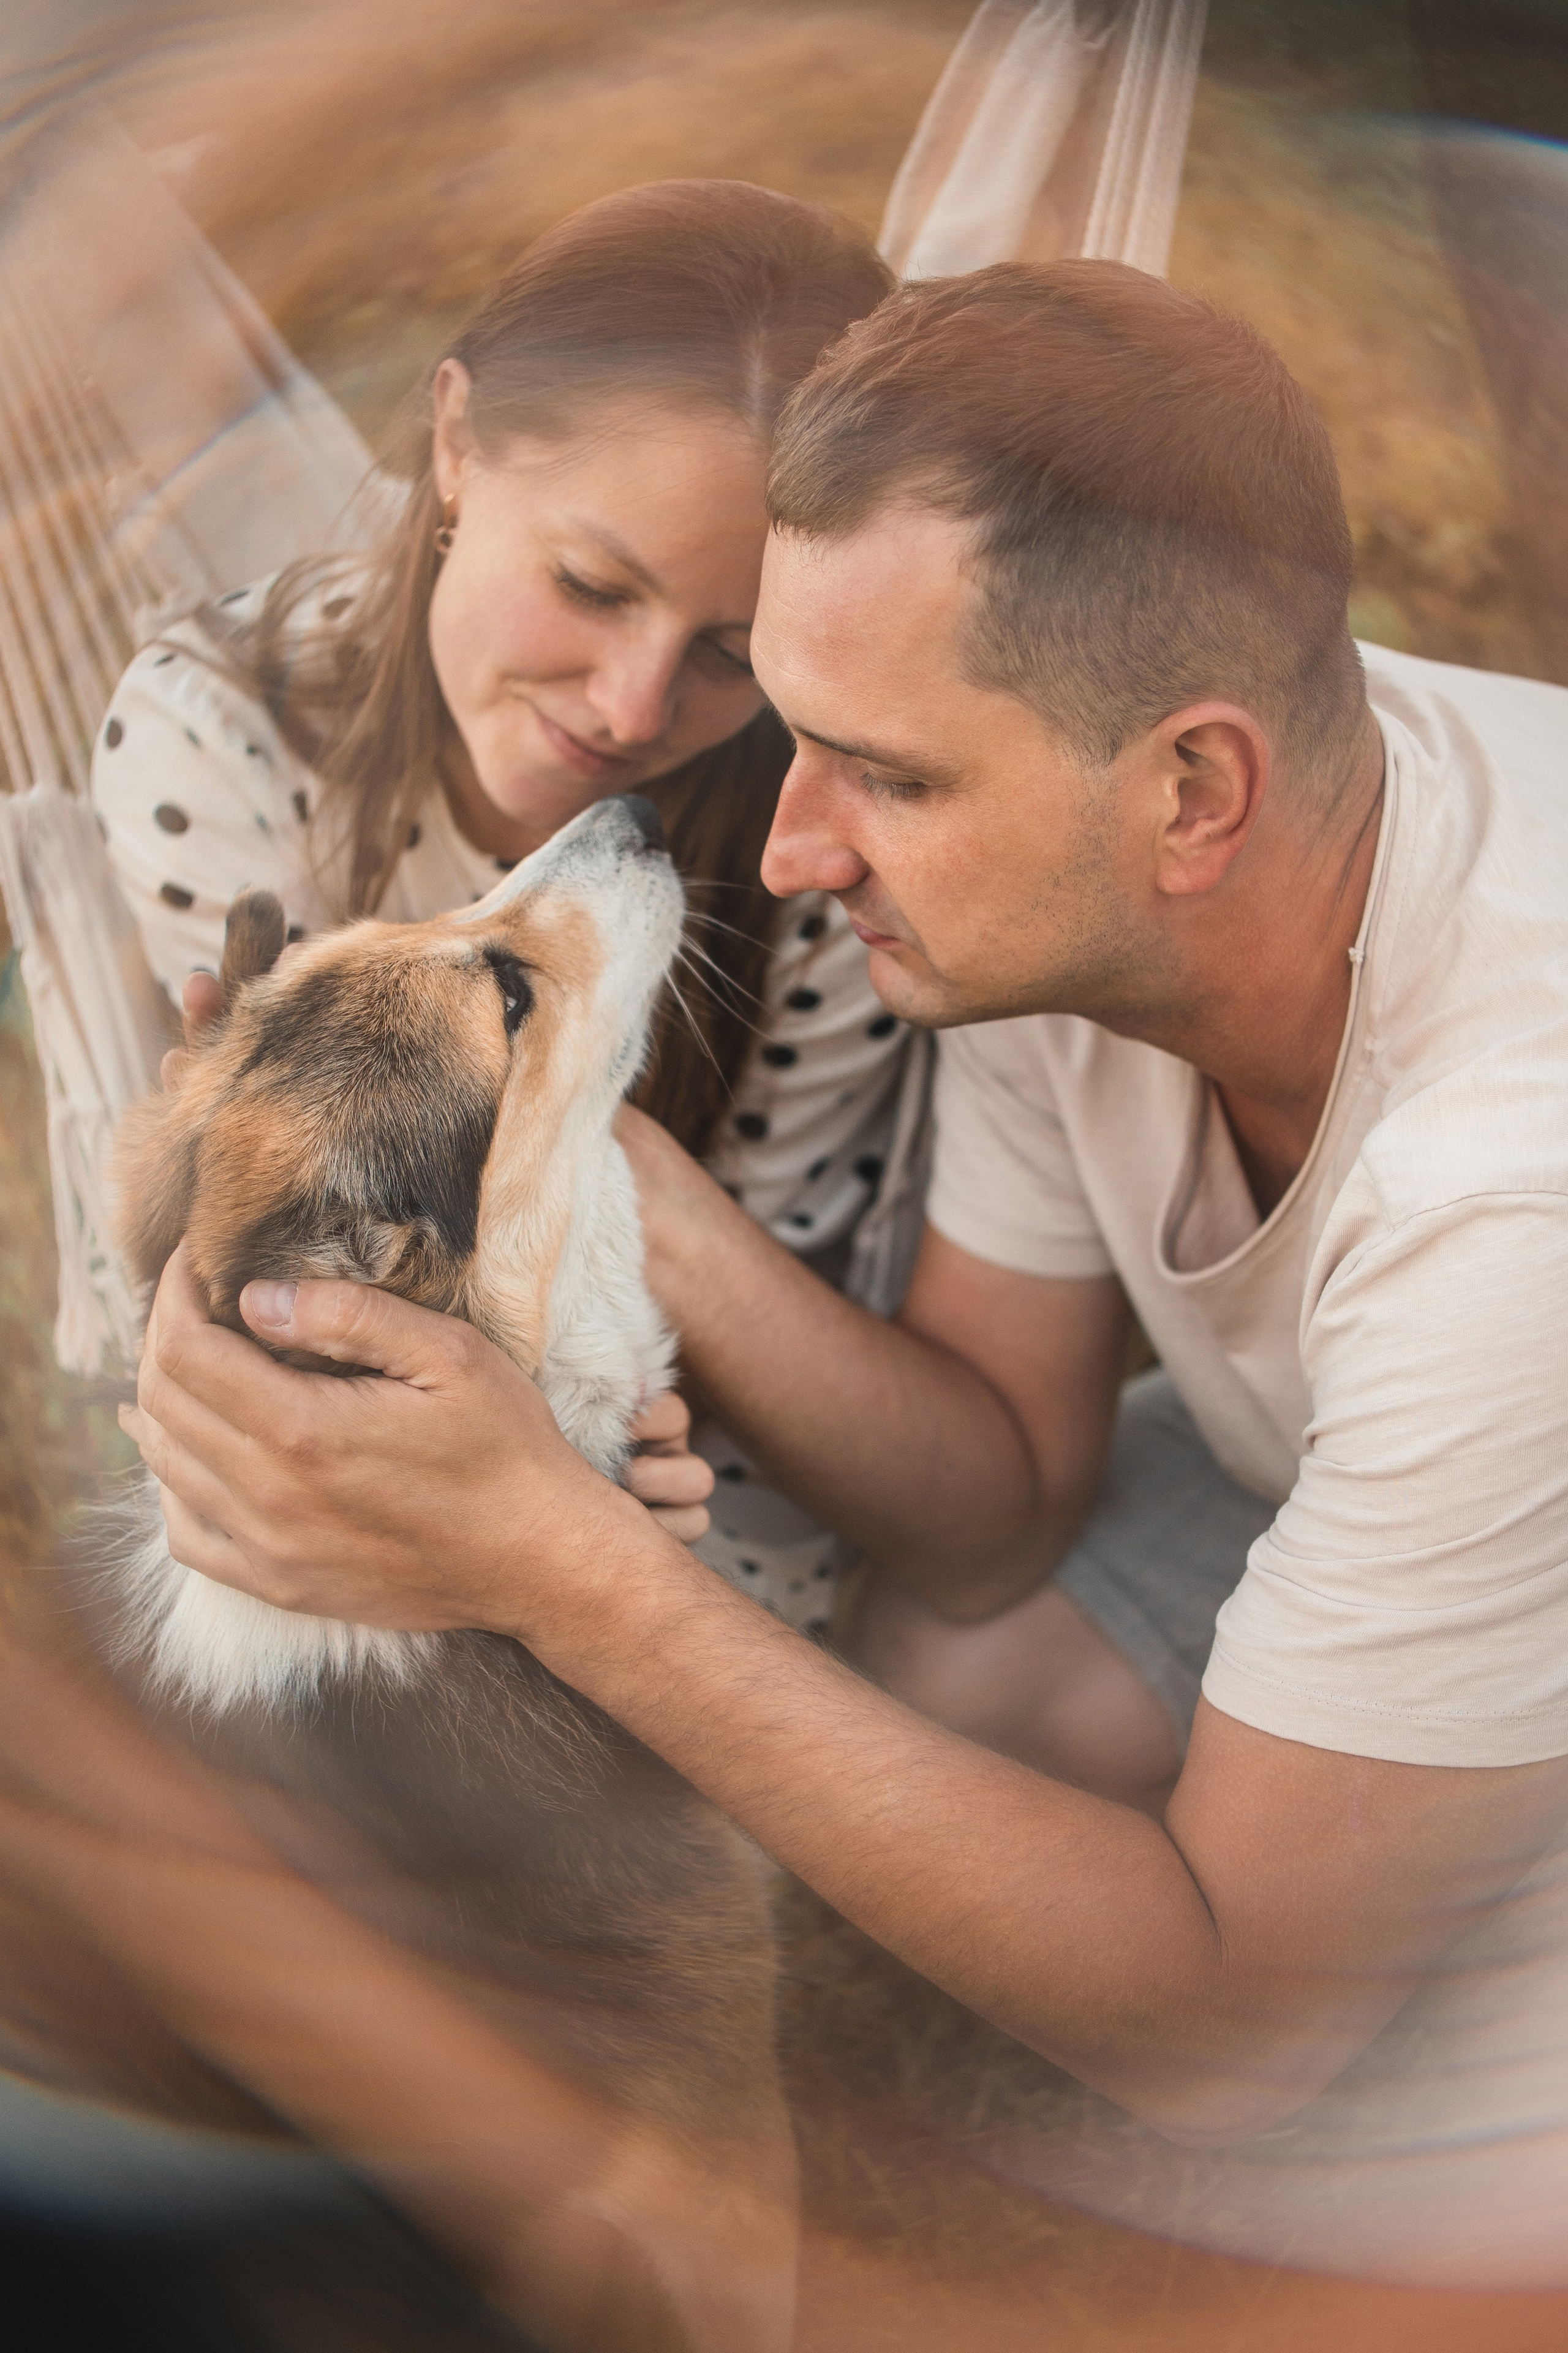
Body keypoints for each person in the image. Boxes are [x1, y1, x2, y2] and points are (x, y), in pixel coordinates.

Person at [124, 259, 1568, 2284]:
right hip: (1359, 1480)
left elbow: (1224, 2031)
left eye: (885, 776)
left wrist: (555, 1563)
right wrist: (593, 1151)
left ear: (1195, 792)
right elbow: (990, 1514)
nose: (792, 851)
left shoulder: (1511, 1193)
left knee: (1225, 2191)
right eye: (797, 740)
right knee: (954, 1669)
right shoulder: (1112, 875)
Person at [91, 178, 913, 1632]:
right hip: (358, 1488)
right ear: (456, 443)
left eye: (734, 655)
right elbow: (284, 1268)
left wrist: (583, 1476)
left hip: (695, 1500)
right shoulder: (212, 741)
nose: (634, 707)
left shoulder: (816, 853)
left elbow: (740, 1358)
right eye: (592, 584)